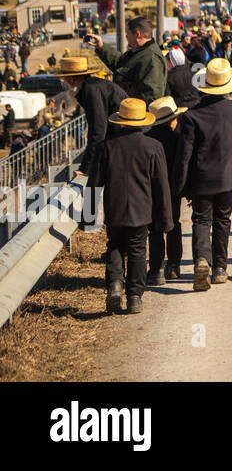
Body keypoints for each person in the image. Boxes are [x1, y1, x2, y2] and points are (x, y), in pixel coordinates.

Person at [173, 58, 232, 291]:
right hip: (227, 177)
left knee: (201, 220)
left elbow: (184, 156)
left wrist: (180, 187)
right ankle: (220, 268)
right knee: (223, 221)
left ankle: (201, 260)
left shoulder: (191, 116)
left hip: (201, 179)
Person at [101, 98, 172, 314]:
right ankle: (134, 297)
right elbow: (161, 184)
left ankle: (114, 284)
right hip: (142, 209)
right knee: (137, 250)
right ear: (143, 122)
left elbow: (95, 182)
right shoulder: (153, 147)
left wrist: (87, 215)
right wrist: (165, 217)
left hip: (114, 208)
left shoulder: (108, 147)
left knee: (114, 245)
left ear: (120, 122)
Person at [57, 55, 127, 191]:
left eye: (64, 79)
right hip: (119, 138)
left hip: (121, 139)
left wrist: (86, 168)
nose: (63, 82)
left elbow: (98, 131)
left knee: (92, 192)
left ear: (71, 78)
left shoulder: (91, 90)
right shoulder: (93, 86)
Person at [145, 96, 188, 283]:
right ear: (173, 118)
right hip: (173, 188)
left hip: (151, 189)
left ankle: (156, 269)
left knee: (154, 228)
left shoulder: (147, 139)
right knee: (173, 224)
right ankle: (174, 265)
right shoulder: (178, 137)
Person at [86, 17, 167, 104]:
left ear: (137, 34)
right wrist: (101, 46)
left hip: (135, 114)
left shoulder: (152, 58)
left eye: (127, 34)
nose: (126, 37)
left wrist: (131, 111)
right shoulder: (139, 52)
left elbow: (151, 97)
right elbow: (120, 63)